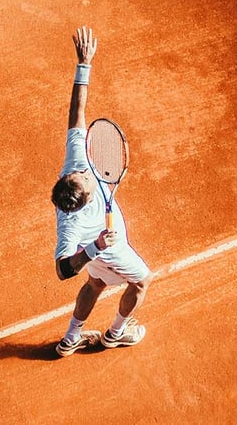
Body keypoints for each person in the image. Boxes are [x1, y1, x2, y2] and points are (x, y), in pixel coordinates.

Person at [50, 26, 156, 357]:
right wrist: (96, 248)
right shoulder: (72, 225)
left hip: (98, 254)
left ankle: (71, 339)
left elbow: (76, 115)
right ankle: (116, 333)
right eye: (86, 179)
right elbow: (62, 270)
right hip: (109, 252)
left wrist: (84, 64)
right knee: (142, 281)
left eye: (81, 173)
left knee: (95, 283)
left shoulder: (75, 164)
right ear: (84, 201)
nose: (87, 172)